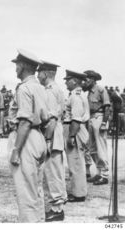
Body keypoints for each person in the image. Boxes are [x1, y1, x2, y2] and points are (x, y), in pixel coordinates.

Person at [7, 50, 49, 222]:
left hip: (25, 139)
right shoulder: (40, 87)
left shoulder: (24, 88)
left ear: (23, 66)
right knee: (36, 189)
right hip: (38, 136)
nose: (15, 68)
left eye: (17, 64)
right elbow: (46, 118)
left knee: (25, 192)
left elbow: (24, 121)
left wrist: (16, 150)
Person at [37, 60, 67, 222]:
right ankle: (58, 205)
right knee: (56, 171)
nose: (37, 75)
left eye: (39, 72)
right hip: (55, 133)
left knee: (52, 172)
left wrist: (47, 139)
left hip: (52, 134)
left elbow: (52, 119)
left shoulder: (49, 91)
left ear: (46, 73)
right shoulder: (56, 89)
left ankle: (57, 209)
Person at [63, 70, 89, 202]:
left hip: (75, 129)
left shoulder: (76, 96)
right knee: (76, 161)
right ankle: (78, 191)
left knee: (76, 162)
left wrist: (72, 136)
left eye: (67, 80)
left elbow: (76, 118)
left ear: (74, 81)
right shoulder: (76, 94)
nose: (66, 82)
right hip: (76, 128)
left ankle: (79, 194)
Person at [83, 70, 110, 185]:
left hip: (99, 117)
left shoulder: (100, 89)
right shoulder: (89, 92)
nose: (86, 81)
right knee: (92, 148)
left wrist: (104, 122)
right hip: (91, 118)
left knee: (101, 147)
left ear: (93, 79)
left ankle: (104, 174)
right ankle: (98, 173)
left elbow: (107, 107)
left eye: (88, 78)